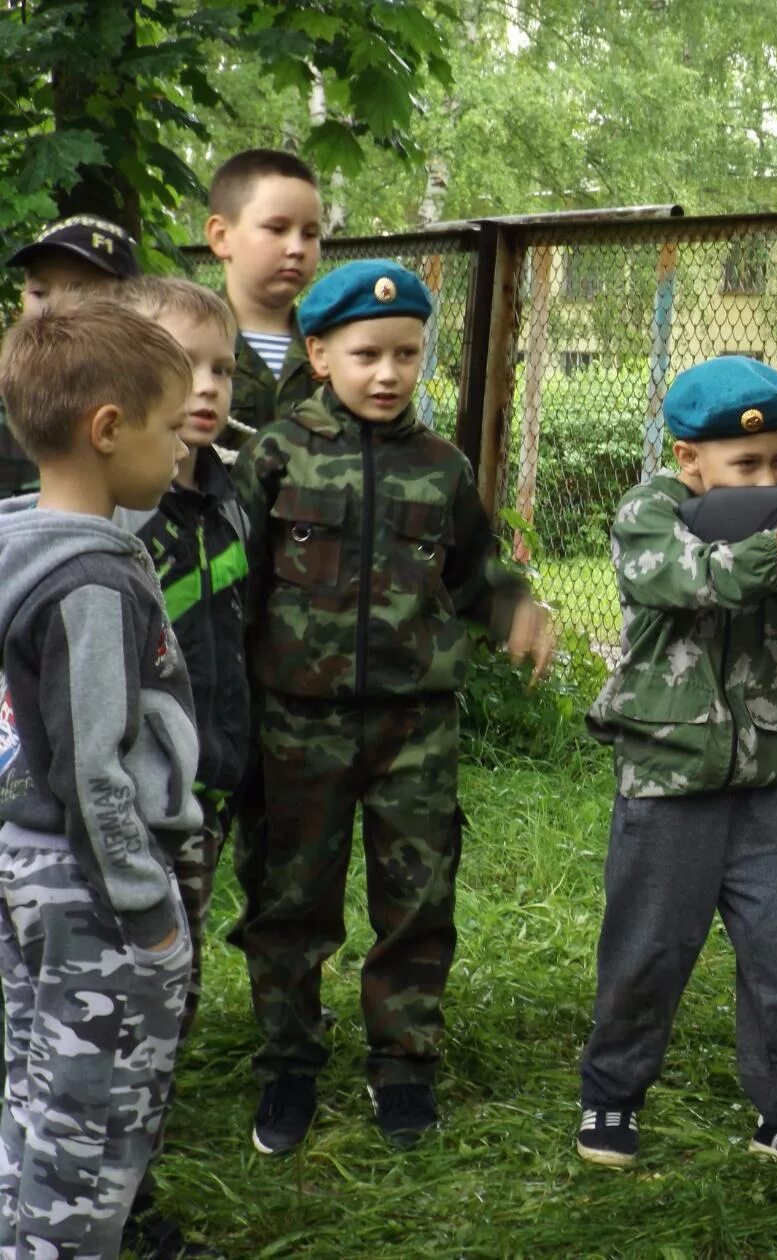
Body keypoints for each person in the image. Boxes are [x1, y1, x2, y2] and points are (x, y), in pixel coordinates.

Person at [234, 259, 554, 1154]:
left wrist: (516, 607)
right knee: (290, 899)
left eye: (406, 354)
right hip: (298, 723)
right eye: (367, 353)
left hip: (417, 726)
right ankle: (289, 1064)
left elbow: (475, 569)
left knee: (418, 897)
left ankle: (404, 1066)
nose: (387, 372)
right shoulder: (274, 455)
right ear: (320, 353)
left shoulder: (441, 466)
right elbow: (241, 591)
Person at [576, 356, 777, 1178]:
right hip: (669, 783)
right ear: (689, 461)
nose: (769, 476)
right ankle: (612, 1095)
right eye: (747, 465)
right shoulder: (649, 513)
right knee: (647, 952)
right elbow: (688, 581)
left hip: (768, 787)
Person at [0, 299, 199, 1257]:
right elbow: (95, 768)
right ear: (108, 430)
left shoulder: (16, 548)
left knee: (34, 1089)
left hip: (19, 865)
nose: (183, 453)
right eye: (172, 428)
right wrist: (146, 910)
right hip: (92, 892)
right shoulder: (91, 582)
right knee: (95, 1131)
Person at [110, 278, 245, 1258]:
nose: (205, 387)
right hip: (128, 813)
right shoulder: (114, 519)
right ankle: (109, 1205)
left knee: (173, 996)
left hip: (208, 798)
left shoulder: (230, 503)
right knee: (120, 1004)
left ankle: (127, 1179)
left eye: (224, 368)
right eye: (180, 364)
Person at [1, 216, 143, 497]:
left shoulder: (155, 412)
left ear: (131, 308)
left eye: (80, 296)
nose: (52, 311)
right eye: (40, 293)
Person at [203, 148, 322, 450]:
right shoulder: (184, 343)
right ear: (221, 236)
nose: (296, 248)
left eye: (310, 233)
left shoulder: (334, 348)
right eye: (277, 229)